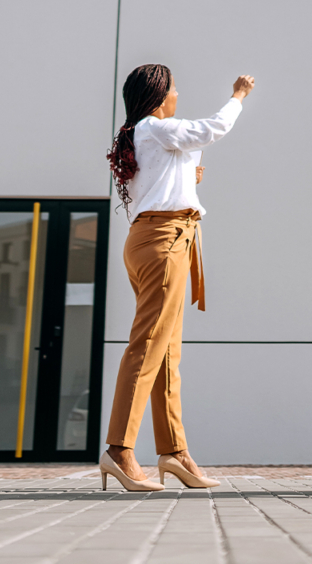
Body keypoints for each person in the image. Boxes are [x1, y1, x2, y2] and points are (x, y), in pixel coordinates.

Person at [100, 64, 255, 492]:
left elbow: (172, 174)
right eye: (173, 89)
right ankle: (118, 449)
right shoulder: (156, 127)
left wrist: (192, 174)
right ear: (159, 96)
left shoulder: (142, 137)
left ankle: (174, 452)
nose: (178, 94)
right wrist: (238, 95)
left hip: (151, 240)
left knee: (166, 352)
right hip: (165, 240)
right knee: (149, 345)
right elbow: (214, 128)